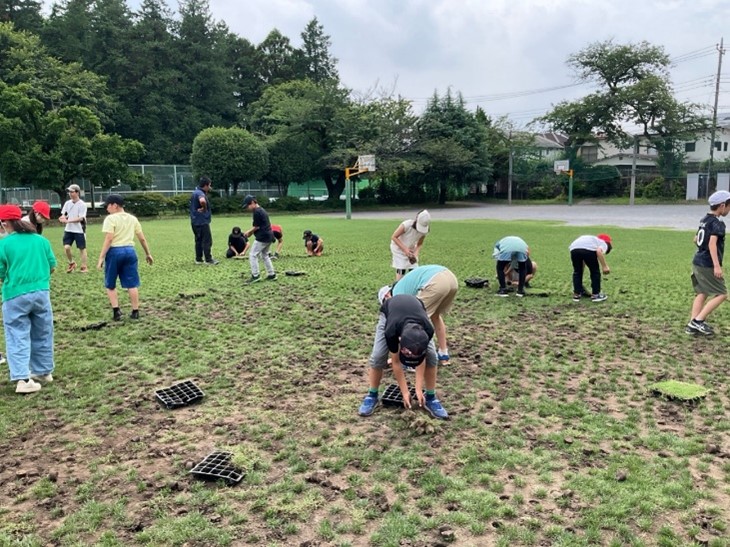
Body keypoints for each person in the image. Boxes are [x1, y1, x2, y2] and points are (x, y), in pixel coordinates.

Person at [358, 294, 448, 419]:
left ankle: (431, 397)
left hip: (418, 311)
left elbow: (422, 359)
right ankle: (372, 395)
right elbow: (396, 362)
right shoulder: (391, 332)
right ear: (400, 339)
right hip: (390, 312)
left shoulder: (427, 330)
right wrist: (405, 392)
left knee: (432, 357)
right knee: (378, 357)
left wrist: (418, 389)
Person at [0, 204, 56, 394]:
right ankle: (44, 371)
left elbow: (1, 272)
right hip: (41, 292)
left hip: (14, 295)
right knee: (43, 331)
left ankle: (22, 379)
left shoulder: (4, 243)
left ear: (5, 223)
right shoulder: (41, 241)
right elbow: (52, 266)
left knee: (17, 334)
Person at [379, 264, 458, 365]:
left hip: (436, 282)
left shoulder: (398, 296)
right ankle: (443, 354)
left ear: (387, 295)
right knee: (436, 315)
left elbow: (410, 328)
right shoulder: (404, 286)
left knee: (418, 324)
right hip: (451, 278)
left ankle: (414, 356)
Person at [96, 194, 153, 321]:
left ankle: (116, 311)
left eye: (108, 206)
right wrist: (148, 253)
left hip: (115, 252)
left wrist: (101, 257)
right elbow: (142, 238)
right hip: (130, 251)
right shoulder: (133, 219)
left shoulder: (110, 219)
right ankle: (135, 311)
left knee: (110, 283)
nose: (107, 209)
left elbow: (109, 238)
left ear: (115, 205)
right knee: (132, 283)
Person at [686, 190, 730, 335]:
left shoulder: (704, 220)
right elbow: (712, 244)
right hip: (707, 264)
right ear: (722, 206)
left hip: (697, 261)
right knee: (722, 294)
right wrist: (717, 266)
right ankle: (698, 321)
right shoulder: (718, 224)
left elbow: (695, 239)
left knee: (702, 292)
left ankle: (692, 324)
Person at [242, 195, 276, 283]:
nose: (247, 208)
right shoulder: (262, 210)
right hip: (269, 235)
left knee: (252, 255)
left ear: (253, 202)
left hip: (263, 236)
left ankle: (255, 275)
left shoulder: (256, 212)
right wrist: (250, 232)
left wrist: (248, 232)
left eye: (248, 206)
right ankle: (271, 274)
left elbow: (256, 227)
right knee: (264, 255)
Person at [569, 233, 612, 302]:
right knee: (595, 272)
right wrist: (605, 266)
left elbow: (582, 254)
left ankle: (577, 294)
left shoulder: (591, 240)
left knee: (577, 272)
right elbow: (598, 251)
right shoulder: (603, 243)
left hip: (574, 249)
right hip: (587, 250)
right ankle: (596, 295)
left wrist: (581, 270)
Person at [390, 210, 430, 280]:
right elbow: (394, 237)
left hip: (411, 249)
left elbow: (419, 244)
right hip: (398, 248)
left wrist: (415, 253)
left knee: (414, 270)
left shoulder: (424, 231)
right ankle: (397, 286)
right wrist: (405, 249)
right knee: (401, 269)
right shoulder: (407, 225)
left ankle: (411, 288)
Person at [60, 183, 88, 273]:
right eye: (69, 192)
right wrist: (62, 218)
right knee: (66, 247)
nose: (70, 194)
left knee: (82, 248)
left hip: (79, 229)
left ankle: (84, 266)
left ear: (77, 193)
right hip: (68, 230)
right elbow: (63, 214)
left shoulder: (82, 204)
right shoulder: (67, 203)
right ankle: (72, 263)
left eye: (72, 192)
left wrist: (68, 221)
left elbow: (81, 218)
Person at [190, 176, 218, 265]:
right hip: (202, 221)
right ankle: (208, 259)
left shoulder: (195, 192)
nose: (210, 187)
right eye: (209, 185)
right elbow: (202, 201)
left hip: (194, 221)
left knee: (198, 240)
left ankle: (199, 259)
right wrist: (204, 208)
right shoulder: (200, 193)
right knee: (207, 240)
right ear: (205, 185)